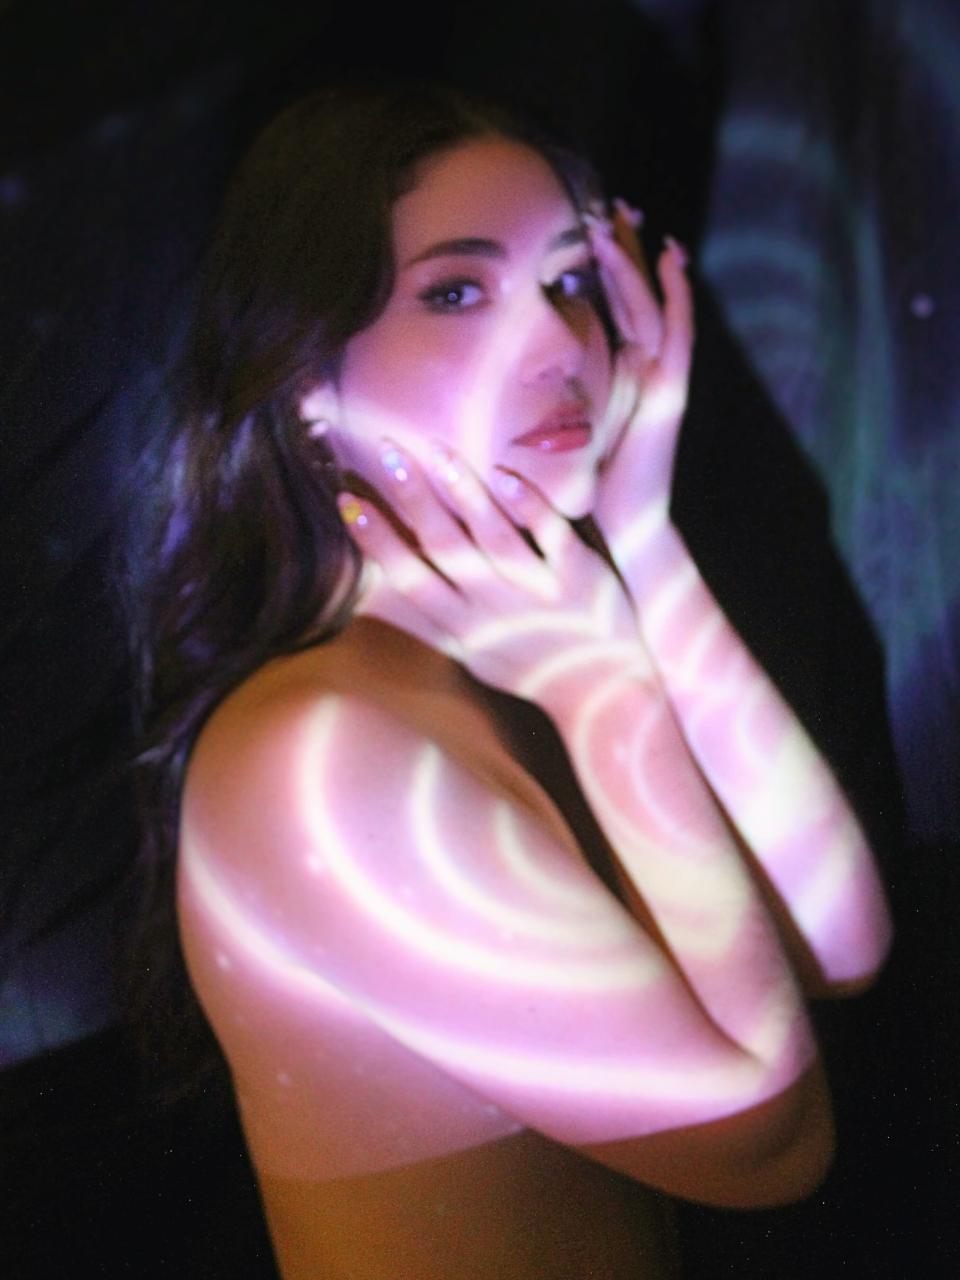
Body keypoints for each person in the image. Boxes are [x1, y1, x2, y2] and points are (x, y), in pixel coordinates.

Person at [127, 81, 893, 1280]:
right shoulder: (317, 756)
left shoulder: (506, 662)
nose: (562, 345)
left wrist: (644, 539)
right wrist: (612, 707)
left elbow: (838, 939)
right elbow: (772, 1146)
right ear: (303, 373)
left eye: (573, 281)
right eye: (455, 291)